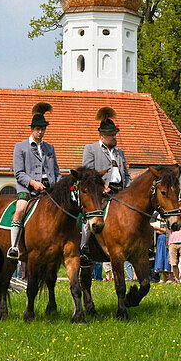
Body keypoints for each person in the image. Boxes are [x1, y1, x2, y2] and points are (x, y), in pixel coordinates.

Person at [80, 106, 131, 265]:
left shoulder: (119, 152)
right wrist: (102, 187)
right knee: (92, 215)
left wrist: (130, 190)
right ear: (102, 135)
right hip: (101, 192)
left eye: (115, 134)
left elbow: (126, 175)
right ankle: (84, 248)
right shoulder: (91, 149)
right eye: (111, 135)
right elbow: (88, 174)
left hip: (120, 192)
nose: (114, 137)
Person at [9, 102, 59, 260]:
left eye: (43, 129)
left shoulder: (50, 148)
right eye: (38, 129)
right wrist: (33, 183)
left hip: (49, 190)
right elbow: (18, 173)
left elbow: (56, 171)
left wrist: (58, 186)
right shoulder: (20, 147)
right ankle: (14, 246)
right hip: (27, 190)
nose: (40, 132)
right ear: (32, 129)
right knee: (19, 211)